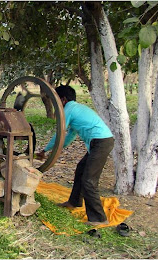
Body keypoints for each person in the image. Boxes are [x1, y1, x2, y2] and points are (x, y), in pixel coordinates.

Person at [36, 85, 114, 226]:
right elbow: (68, 136)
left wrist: (45, 150)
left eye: (57, 101)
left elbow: (60, 133)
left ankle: (99, 218)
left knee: (89, 180)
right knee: (81, 169)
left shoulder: (68, 110)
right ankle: (74, 202)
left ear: (63, 100)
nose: (56, 105)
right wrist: (48, 149)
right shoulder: (75, 109)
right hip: (99, 142)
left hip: (101, 142)